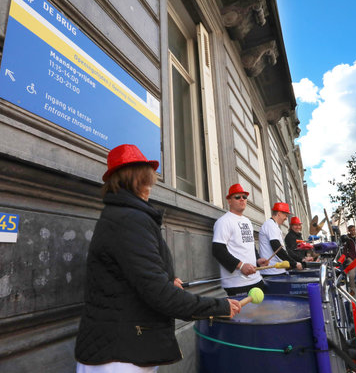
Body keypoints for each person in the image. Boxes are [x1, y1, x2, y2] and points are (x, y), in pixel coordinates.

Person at [75, 144, 241, 373]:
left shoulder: (124, 216)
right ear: (138, 180)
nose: (151, 186)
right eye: (149, 179)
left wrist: (166, 279)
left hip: (126, 347)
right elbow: (157, 293)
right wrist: (218, 306)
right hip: (121, 356)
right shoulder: (129, 220)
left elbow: (138, 277)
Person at [212, 183, 267, 296]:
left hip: (257, 279)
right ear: (229, 201)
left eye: (244, 197)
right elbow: (217, 250)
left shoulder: (247, 221)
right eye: (237, 197)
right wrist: (241, 266)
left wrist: (257, 260)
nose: (242, 199)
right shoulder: (223, 222)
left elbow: (250, 245)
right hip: (237, 284)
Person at [259, 203, 303, 276]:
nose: (286, 218)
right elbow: (276, 247)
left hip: (277, 270)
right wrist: (294, 263)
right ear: (279, 213)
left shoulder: (274, 226)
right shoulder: (270, 225)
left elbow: (283, 249)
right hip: (272, 271)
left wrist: (297, 261)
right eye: (286, 215)